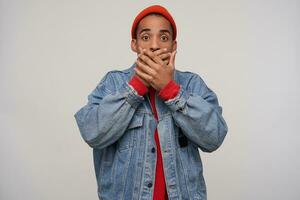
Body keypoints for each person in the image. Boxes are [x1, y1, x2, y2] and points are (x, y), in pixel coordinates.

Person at [74, 5, 228, 200]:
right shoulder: (112, 83)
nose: (154, 46)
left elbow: (214, 137)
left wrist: (170, 90)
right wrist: (136, 86)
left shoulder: (192, 84)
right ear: (134, 44)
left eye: (163, 38)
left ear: (174, 45)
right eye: (146, 37)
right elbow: (92, 133)